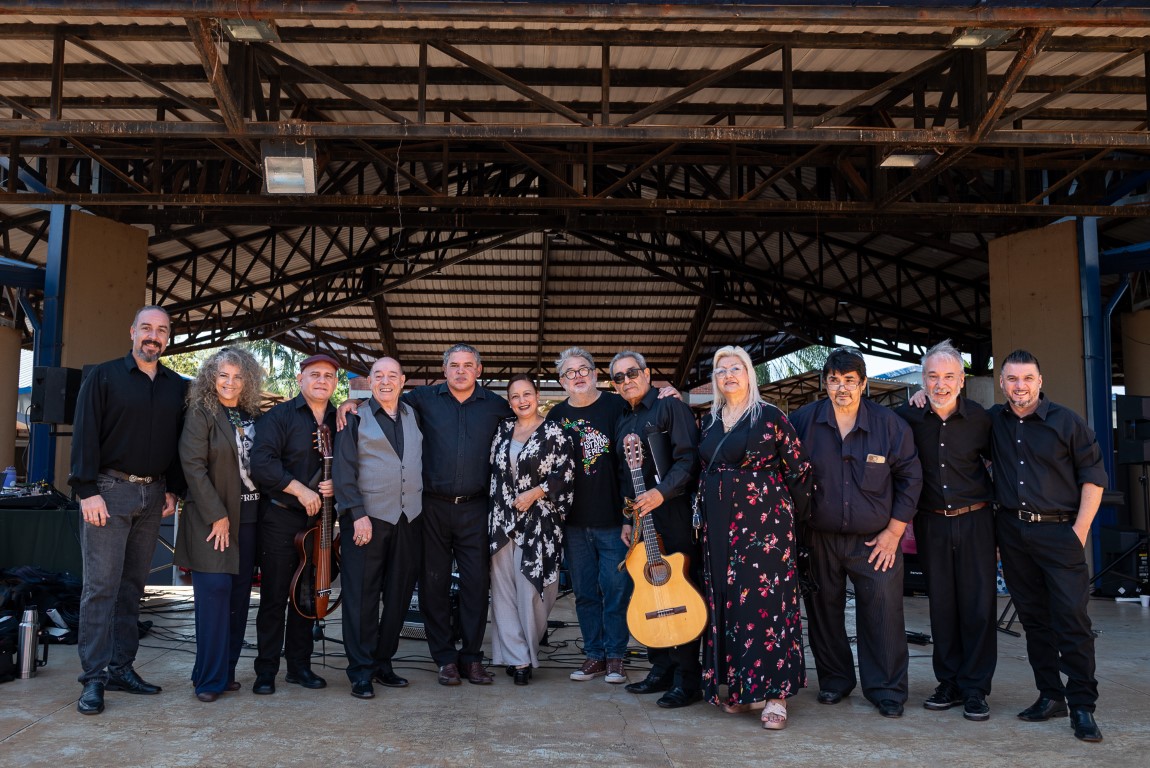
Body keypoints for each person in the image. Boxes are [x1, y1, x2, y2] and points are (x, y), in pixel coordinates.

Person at [341, 343, 513, 686]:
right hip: (429, 508)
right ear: (444, 369)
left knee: (476, 585)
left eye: (468, 365)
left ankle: (471, 657)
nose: (461, 371)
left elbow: (526, 425)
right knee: (432, 584)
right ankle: (444, 659)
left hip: (476, 507)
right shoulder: (421, 400)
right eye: (454, 365)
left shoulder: (497, 407)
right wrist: (351, 403)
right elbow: (380, 404)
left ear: (478, 370)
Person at [789, 347, 922, 719]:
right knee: (823, 613)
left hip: (876, 540)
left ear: (863, 384)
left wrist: (894, 532)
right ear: (824, 383)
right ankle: (835, 681)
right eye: (834, 380)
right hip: (818, 538)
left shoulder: (890, 425)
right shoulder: (803, 422)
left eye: (849, 381)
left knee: (883, 614)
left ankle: (887, 690)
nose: (841, 388)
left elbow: (911, 479)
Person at [69, 305, 187, 715]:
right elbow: (84, 432)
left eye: (162, 330)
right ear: (132, 331)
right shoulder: (104, 376)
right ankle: (94, 679)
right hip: (109, 491)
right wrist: (86, 491)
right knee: (100, 588)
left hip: (153, 496)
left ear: (168, 338)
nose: (153, 336)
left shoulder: (176, 386)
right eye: (146, 328)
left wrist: (173, 489)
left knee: (132, 588)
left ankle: (121, 668)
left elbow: (176, 442)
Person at [991, 349, 1107, 743]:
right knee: (1034, 620)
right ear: (1002, 383)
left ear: (1040, 381)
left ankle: (1083, 706)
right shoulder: (994, 421)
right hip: (1013, 533)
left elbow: (1093, 478)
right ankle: (1050, 695)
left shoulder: (1067, 423)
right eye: (1011, 379)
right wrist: (921, 396)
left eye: (1027, 378)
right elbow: (950, 416)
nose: (1019, 386)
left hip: (1061, 534)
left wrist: (1079, 532)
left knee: (1072, 621)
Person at [698, 346, 812, 730]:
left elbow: (799, 470)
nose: (728, 374)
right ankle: (745, 689)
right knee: (729, 604)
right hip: (718, 524)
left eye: (736, 368)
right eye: (720, 369)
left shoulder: (771, 416)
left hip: (764, 525)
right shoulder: (710, 420)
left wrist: (792, 522)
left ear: (749, 374)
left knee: (766, 603)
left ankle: (775, 693)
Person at [897, 341, 997, 721]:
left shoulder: (982, 419)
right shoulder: (908, 417)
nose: (941, 384)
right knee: (941, 605)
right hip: (931, 521)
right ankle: (949, 682)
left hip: (976, 521)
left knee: (978, 607)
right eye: (933, 377)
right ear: (923, 379)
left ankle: (976, 688)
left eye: (949, 376)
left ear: (962, 380)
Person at [611, 350, 702, 709]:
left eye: (632, 372)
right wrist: (626, 517)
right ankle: (660, 669)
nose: (626, 380)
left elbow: (689, 459)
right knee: (650, 590)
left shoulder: (670, 407)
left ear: (647, 373)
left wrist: (661, 493)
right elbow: (623, 474)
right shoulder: (622, 419)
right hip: (641, 521)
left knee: (679, 592)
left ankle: (687, 679)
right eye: (618, 377)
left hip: (674, 515)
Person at [174, 347, 265, 703]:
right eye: (223, 375)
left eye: (238, 376)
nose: (230, 382)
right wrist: (217, 514)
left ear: (248, 380)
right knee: (214, 596)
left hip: (250, 519)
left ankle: (223, 673)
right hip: (214, 522)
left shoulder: (250, 414)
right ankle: (208, 681)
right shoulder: (201, 412)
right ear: (212, 377)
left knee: (239, 599)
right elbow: (192, 466)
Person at [333, 356, 423, 700]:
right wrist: (357, 513)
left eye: (392, 376)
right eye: (378, 376)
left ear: (403, 381)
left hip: (408, 518)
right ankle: (360, 670)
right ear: (369, 382)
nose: (385, 381)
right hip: (367, 520)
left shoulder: (415, 413)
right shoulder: (354, 417)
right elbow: (343, 470)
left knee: (399, 596)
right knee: (361, 597)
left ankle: (383, 662)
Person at [249, 353, 339, 695]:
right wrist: (300, 489)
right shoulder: (281, 416)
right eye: (314, 374)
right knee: (274, 595)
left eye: (329, 376)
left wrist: (338, 483)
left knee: (306, 596)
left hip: (320, 521)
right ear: (301, 380)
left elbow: (352, 461)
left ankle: (299, 666)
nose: (321, 380)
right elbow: (261, 462)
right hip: (281, 517)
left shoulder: (341, 417)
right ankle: (266, 670)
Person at [546, 347, 633, 684]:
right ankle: (594, 656)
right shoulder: (555, 416)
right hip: (573, 523)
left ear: (595, 374)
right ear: (562, 381)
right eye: (570, 372)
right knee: (584, 593)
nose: (578, 376)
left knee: (615, 591)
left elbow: (645, 412)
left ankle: (616, 657)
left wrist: (664, 393)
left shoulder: (616, 406)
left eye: (583, 369)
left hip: (613, 520)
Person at [488, 374, 574, 685]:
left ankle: (525, 647)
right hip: (502, 522)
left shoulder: (555, 432)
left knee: (535, 591)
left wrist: (535, 492)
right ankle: (518, 657)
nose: (522, 400)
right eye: (515, 396)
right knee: (504, 592)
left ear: (537, 396)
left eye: (527, 394)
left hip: (540, 523)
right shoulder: (502, 430)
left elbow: (565, 473)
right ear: (509, 401)